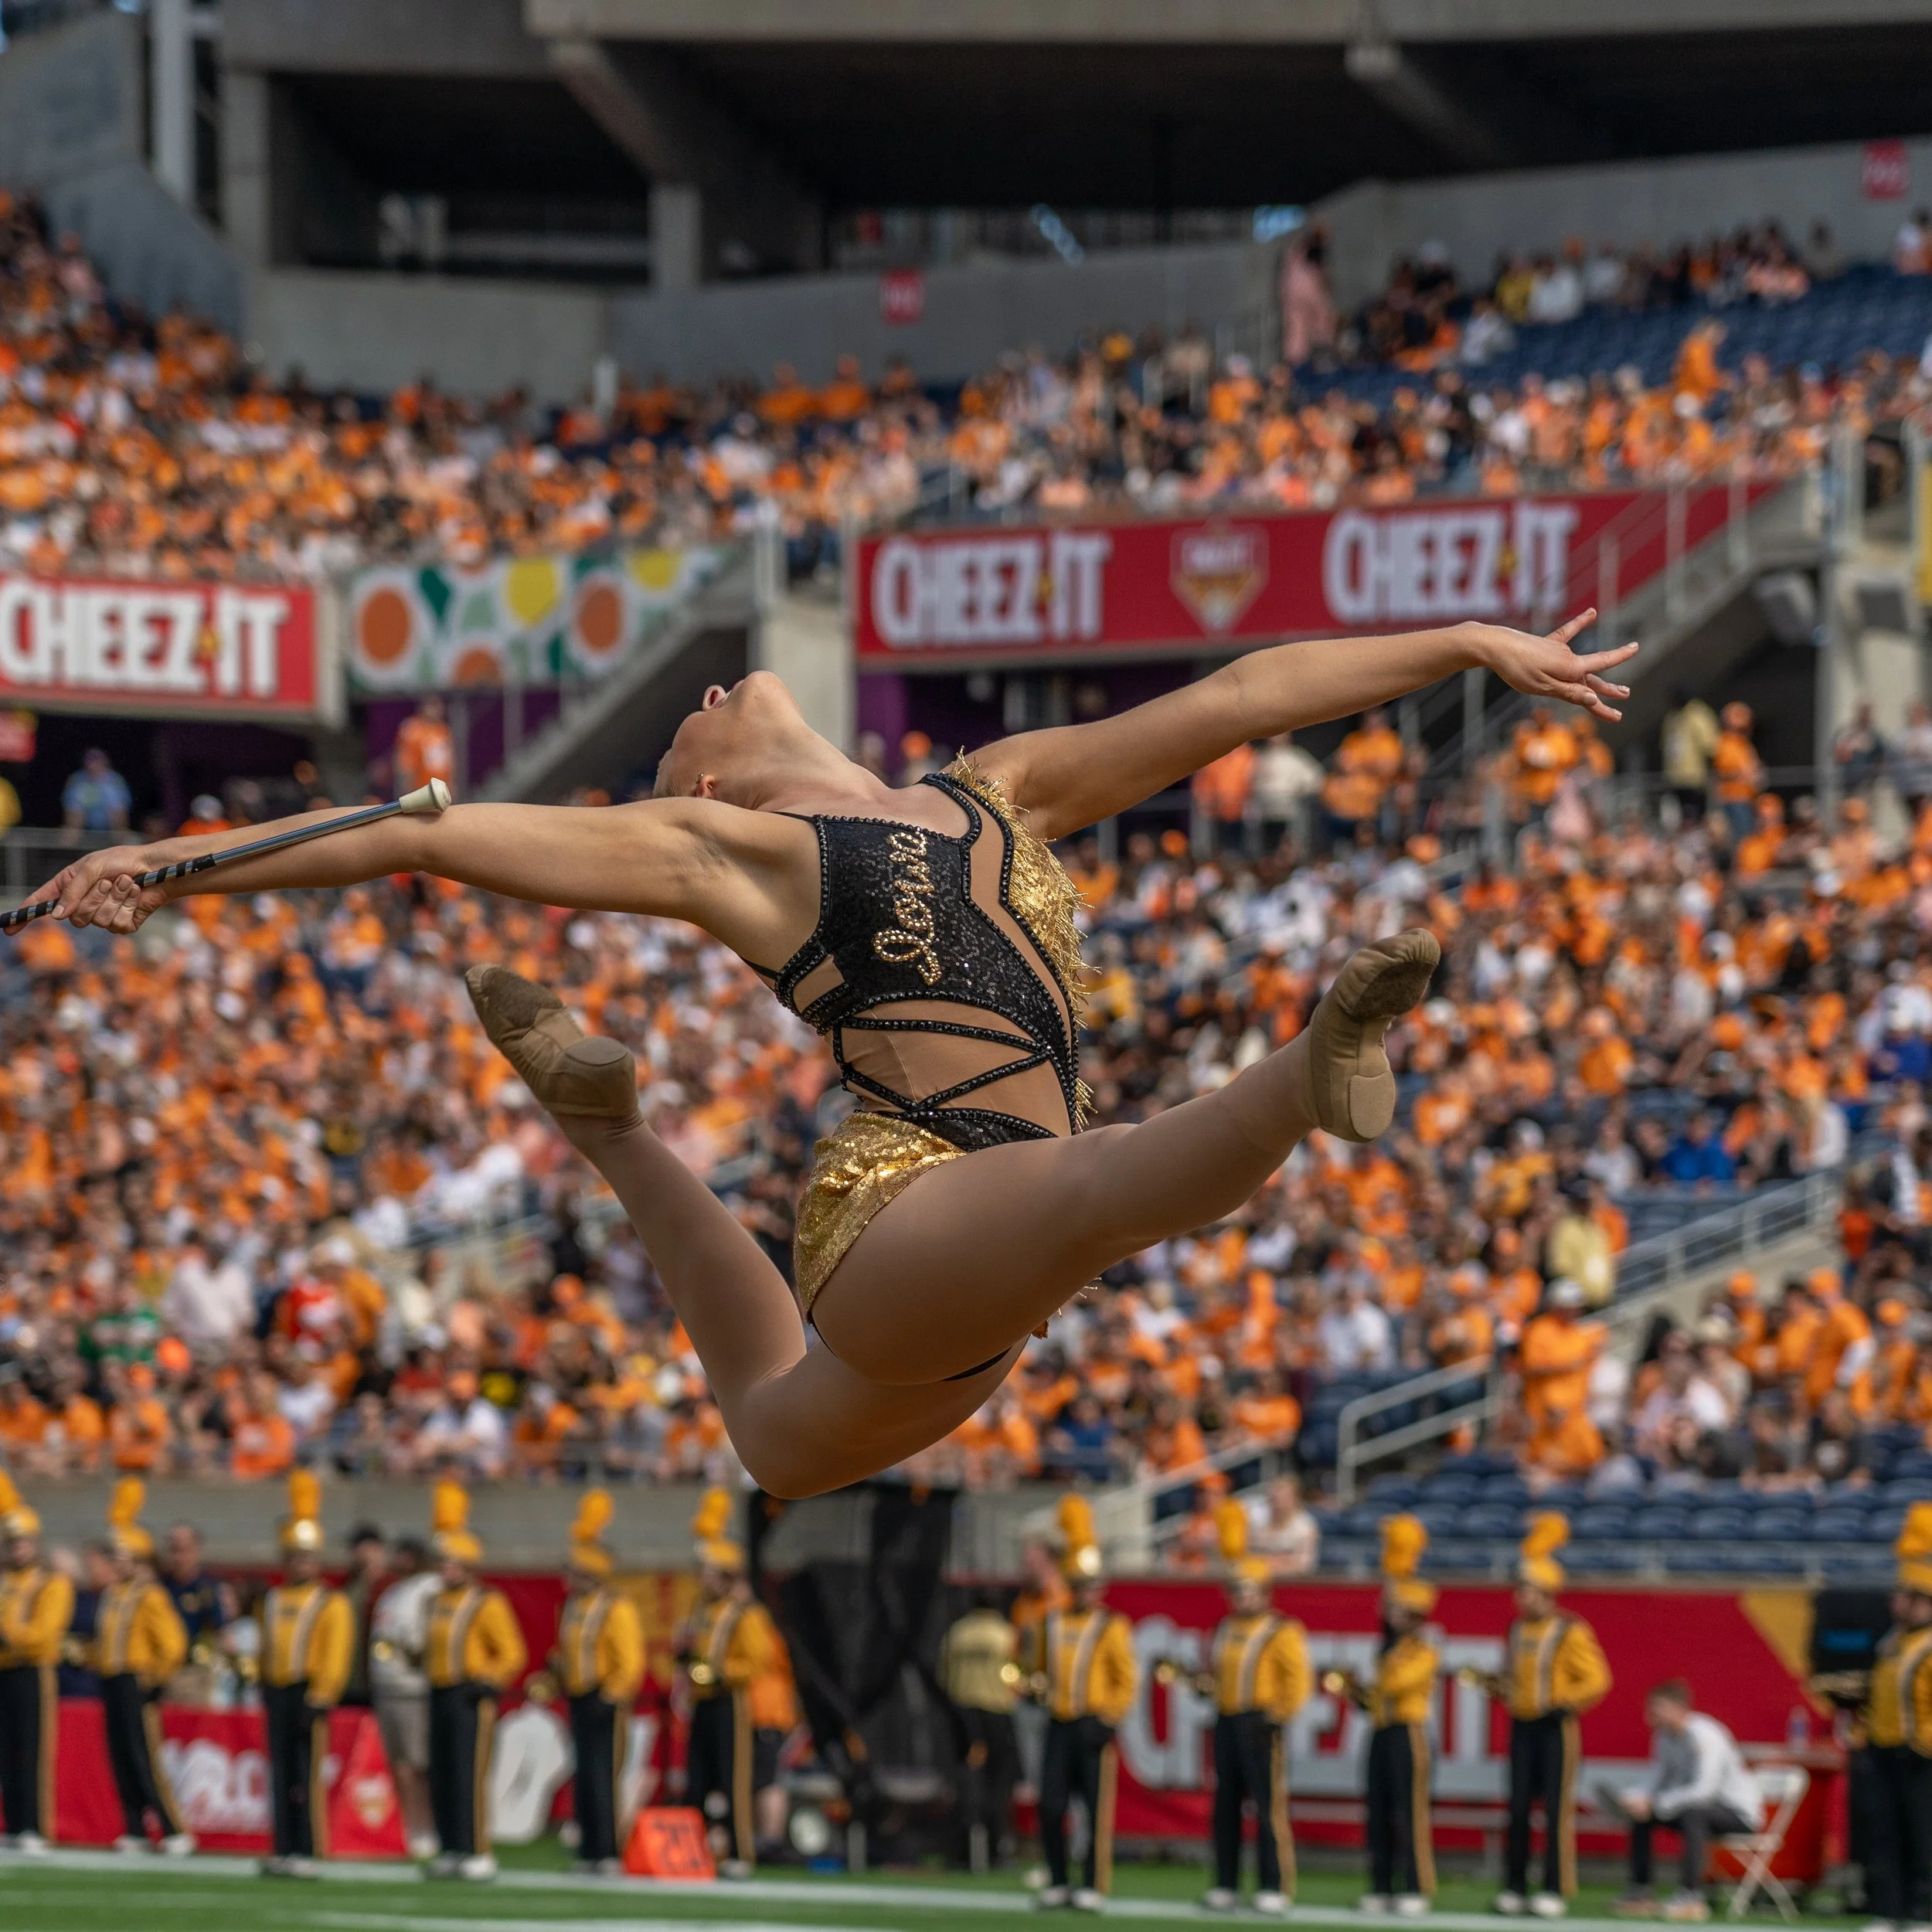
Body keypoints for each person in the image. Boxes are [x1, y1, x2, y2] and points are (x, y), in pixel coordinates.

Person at [31, 613, 1637, 1501]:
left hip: (957, 1290)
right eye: (686, 723)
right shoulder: (730, 850)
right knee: (1082, 1188)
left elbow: (1235, 692)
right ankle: (1308, 1069)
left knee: (780, 1437)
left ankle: (609, 1127)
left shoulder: (995, 783)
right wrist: (177, 867)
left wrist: (1456, 643)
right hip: (907, 1208)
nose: (706, 699)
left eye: (693, 710)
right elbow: (424, 836)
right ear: (712, 785)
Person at [1492, 1517, 1612, 1919]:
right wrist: (1501, 1690)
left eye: (1526, 1589)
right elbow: (1515, 1677)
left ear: (1545, 1593)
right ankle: (1514, 1885)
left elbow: (1597, 1678)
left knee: (1556, 1810)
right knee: (1519, 1808)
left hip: (1555, 1727)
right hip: (1523, 1726)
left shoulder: (1568, 1630)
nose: (1519, 1597)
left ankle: (1554, 1887)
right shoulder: (1515, 1629)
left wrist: (1565, 1700)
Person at [1022, 1498, 1137, 1913]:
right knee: (1051, 1804)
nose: (1091, 1592)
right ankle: (1056, 1878)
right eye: (1084, 1584)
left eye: (1095, 1585)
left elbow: (1126, 1679)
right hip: (1058, 1720)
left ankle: (1092, 1883)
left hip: (1092, 1724)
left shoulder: (1111, 1625)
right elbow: (1033, 1667)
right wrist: (1030, 1686)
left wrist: (1109, 1716)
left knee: (1093, 1811)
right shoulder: (1051, 1621)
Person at [1201, 1501, 1310, 1915]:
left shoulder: (1282, 1629)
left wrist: (1278, 1715)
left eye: (1247, 1589)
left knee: (1267, 1807)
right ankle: (1226, 1882)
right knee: (1225, 1805)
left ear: (1265, 1593)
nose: (1240, 1597)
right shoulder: (1226, 1628)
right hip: (1227, 1719)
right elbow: (1218, 1674)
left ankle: (1274, 1883)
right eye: (1235, 1589)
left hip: (1261, 1722)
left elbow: (1297, 1680)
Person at [1332, 1515, 1439, 1915]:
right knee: (1377, 1810)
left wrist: (1372, 1687)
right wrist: (1357, 1693)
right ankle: (1380, 1885)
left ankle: (1415, 1886)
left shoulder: (1423, 1651)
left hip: (1407, 1734)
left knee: (1408, 1813)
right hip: (1380, 1731)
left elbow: (1396, 1686)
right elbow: (1380, 1693)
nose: (1391, 1614)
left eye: (1400, 1610)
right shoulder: (1390, 1649)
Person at [423, 1482, 527, 1881]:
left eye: (450, 1562)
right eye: (441, 1562)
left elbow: (512, 1652)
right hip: (439, 1691)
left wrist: (488, 1679)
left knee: (469, 1774)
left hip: (469, 1696)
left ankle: (478, 1849)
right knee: (443, 1772)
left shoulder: (487, 1601)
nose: (443, 1569)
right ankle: (450, 1846)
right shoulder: (435, 1601)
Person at [677, 1488, 780, 1877]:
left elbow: (758, 1660)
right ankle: (693, 1851)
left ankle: (740, 1853)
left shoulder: (745, 1613)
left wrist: (722, 1672)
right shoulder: (706, 1610)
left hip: (730, 1700)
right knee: (698, 1781)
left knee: (733, 1781)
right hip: (704, 1698)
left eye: (707, 1572)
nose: (700, 1578)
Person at [257, 1472, 352, 1877]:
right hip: (278, 1689)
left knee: (305, 1773)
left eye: (309, 1557)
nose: (303, 1563)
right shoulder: (276, 1597)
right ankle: (284, 1847)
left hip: (308, 1691)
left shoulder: (330, 1602)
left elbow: (335, 1653)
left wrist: (323, 1694)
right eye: (296, 1556)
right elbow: (267, 1645)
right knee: (280, 1773)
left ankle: (309, 1849)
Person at [91, 1478, 193, 1854]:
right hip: (113, 1679)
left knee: (143, 1756)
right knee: (120, 1755)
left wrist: (154, 1677)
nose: (116, 1563)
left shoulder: (149, 1595)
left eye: (122, 1557)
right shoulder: (115, 1596)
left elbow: (173, 1643)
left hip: (136, 1680)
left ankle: (172, 1827)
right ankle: (134, 1826)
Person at [1608, 1681, 1763, 1922]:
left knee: (1694, 1813)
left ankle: (1691, 1896)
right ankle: (1641, 1892)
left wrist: (1656, 1804)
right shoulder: (1663, 1736)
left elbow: (1704, 1791)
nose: (1650, 1717)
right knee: (1642, 1815)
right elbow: (1657, 1776)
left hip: (1737, 1815)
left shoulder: (1706, 1735)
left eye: (1657, 1710)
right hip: (1695, 1809)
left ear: (1678, 1708)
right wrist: (1636, 1798)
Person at [555, 1491, 644, 1876]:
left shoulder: (615, 1607)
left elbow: (630, 1659)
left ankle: (608, 1850)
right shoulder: (576, 1608)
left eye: (574, 1570)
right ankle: (589, 1849)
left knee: (605, 1775)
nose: (567, 1577)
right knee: (586, 1776)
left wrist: (613, 1694)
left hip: (604, 1700)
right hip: (579, 1696)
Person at [1862, 1504, 1932, 1930]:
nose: (1894, 1602)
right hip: (1885, 1750)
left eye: (1903, 1596)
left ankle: (1924, 1911)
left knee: (1923, 1836)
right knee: (1885, 1835)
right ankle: (1889, 1911)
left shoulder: (1927, 1645)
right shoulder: (1894, 1642)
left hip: (1920, 1754)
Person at [0, 1474, 73, 1853]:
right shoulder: (4, 1580)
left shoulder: (50, 1582)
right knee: (5, 1750)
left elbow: (43, 1634)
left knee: (31, 1750)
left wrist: (9, 1631)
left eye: (22, 1541)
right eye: (11, 1541)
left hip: (32, 1670)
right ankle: (13, 1823)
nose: (16, 1549)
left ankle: (35, 1825)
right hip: (4, 1670)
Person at [937, 1590, 1022, 1870]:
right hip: (996, 1713)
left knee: (965, 1781)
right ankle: (996, 1848)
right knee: (998, 1784)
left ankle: (961, 1849)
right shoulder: (1004, 1634)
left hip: (963, 1714)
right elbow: (1019, 1677)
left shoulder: (957, 1634)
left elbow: (944, 1675)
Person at [370, 1534, 440, 1859]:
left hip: (413, 1688)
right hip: (389, 1685)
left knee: (417, 1764)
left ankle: (426, 1826)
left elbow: (427, 1637)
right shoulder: (394, 1590)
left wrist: (414, 1652)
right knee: (399, 1765)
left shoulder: (429, 1589)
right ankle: (408, 1825)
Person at [392, 697, 457, 797]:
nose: (438, 710)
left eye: (439, 706)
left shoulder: (443, 730)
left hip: (441, 788)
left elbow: (450, 761)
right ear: (423, 707)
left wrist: (452, 785)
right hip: (420, 788)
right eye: (433, 706)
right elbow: (404, 762)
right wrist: (406, 789)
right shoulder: (413, 729)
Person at [60, 747, 131, 833]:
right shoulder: (77, 779)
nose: (93, 765)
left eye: (97, 761)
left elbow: (120, 807)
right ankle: (69, 844)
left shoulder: (115, 780)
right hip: (83, 823)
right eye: (90, 761)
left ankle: (119, 841)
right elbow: (71, 805)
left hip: (109, 823)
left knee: (118, 816)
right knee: (73, 821)